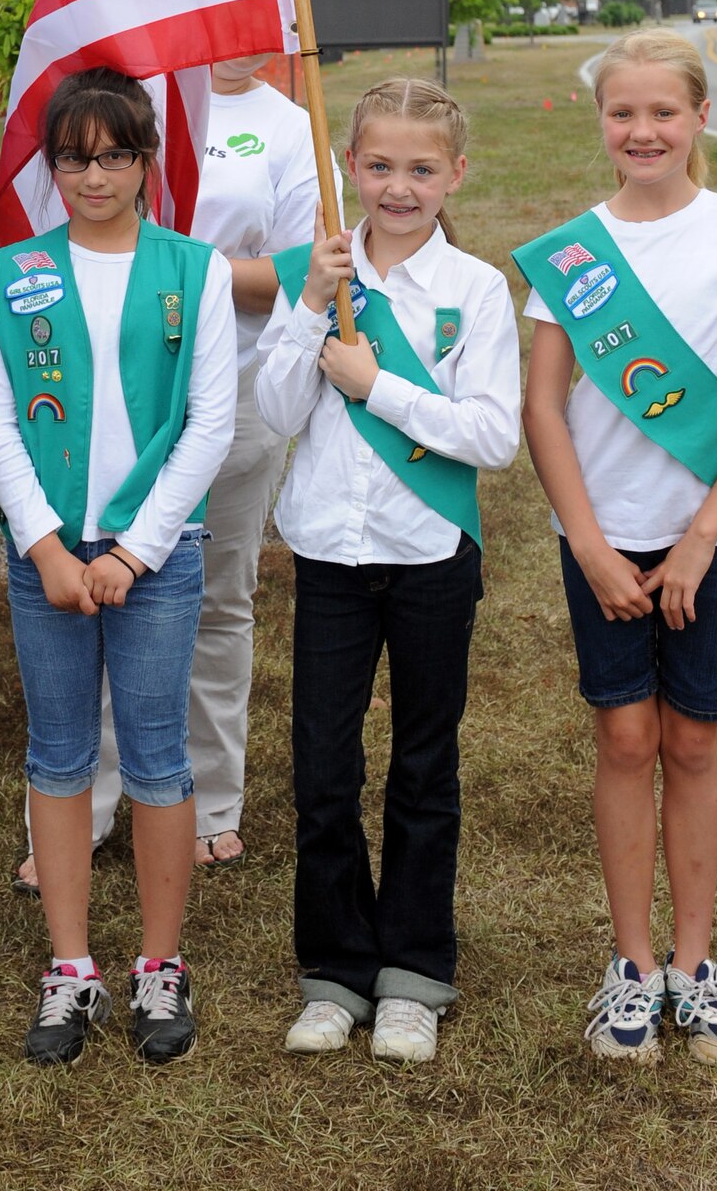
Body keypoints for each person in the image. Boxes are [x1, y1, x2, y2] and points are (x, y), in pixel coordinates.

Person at [518, 30, 717, 1065]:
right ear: (603, 122)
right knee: (625, 740)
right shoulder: (570, 252)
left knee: (693, 741)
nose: (641, 130)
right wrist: (589, 543)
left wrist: (696, 539)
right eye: (622, 112)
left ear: (699, 119)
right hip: (602, 542)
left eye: (662, 113)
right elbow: (543, 407)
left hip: (709, 543)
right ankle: (630, 966)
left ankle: (694, 961)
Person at [11, 55, 334, 888]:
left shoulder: (290, 127)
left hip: (233, 397)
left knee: (216, 603)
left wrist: (177, 277)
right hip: (93, 404)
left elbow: (307, 275)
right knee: (88, 595)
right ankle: (80, 808)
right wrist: (130, 267)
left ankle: (208, 801)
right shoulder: (115, 112)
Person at [256, 77, 519, 1064]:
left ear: (455, 173)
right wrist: (310, 309)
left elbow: (492, 435)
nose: (398, 186)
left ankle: (412, 970)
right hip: (328, 553)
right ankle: (333, 970)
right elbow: (279, 410)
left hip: (428, 557)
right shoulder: (314, 276)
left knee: (422, 764)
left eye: (420, 168)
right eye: (378, 166)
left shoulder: (477, 290)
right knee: (323, 769)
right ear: (350, 170)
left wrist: (381, 387)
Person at [0, 68, 236, 1065]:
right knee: (58, 750)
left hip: (156, 554)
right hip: (45, 552)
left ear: (144, 160)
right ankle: (71, 968)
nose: (96, 174)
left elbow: (210, 423)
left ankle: (159, 964)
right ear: (51, 164)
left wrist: (135, 548)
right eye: (75, 156)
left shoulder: (195, 269)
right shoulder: (8, 273)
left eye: (116, 154)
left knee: (160, 752)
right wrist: (45, 544)